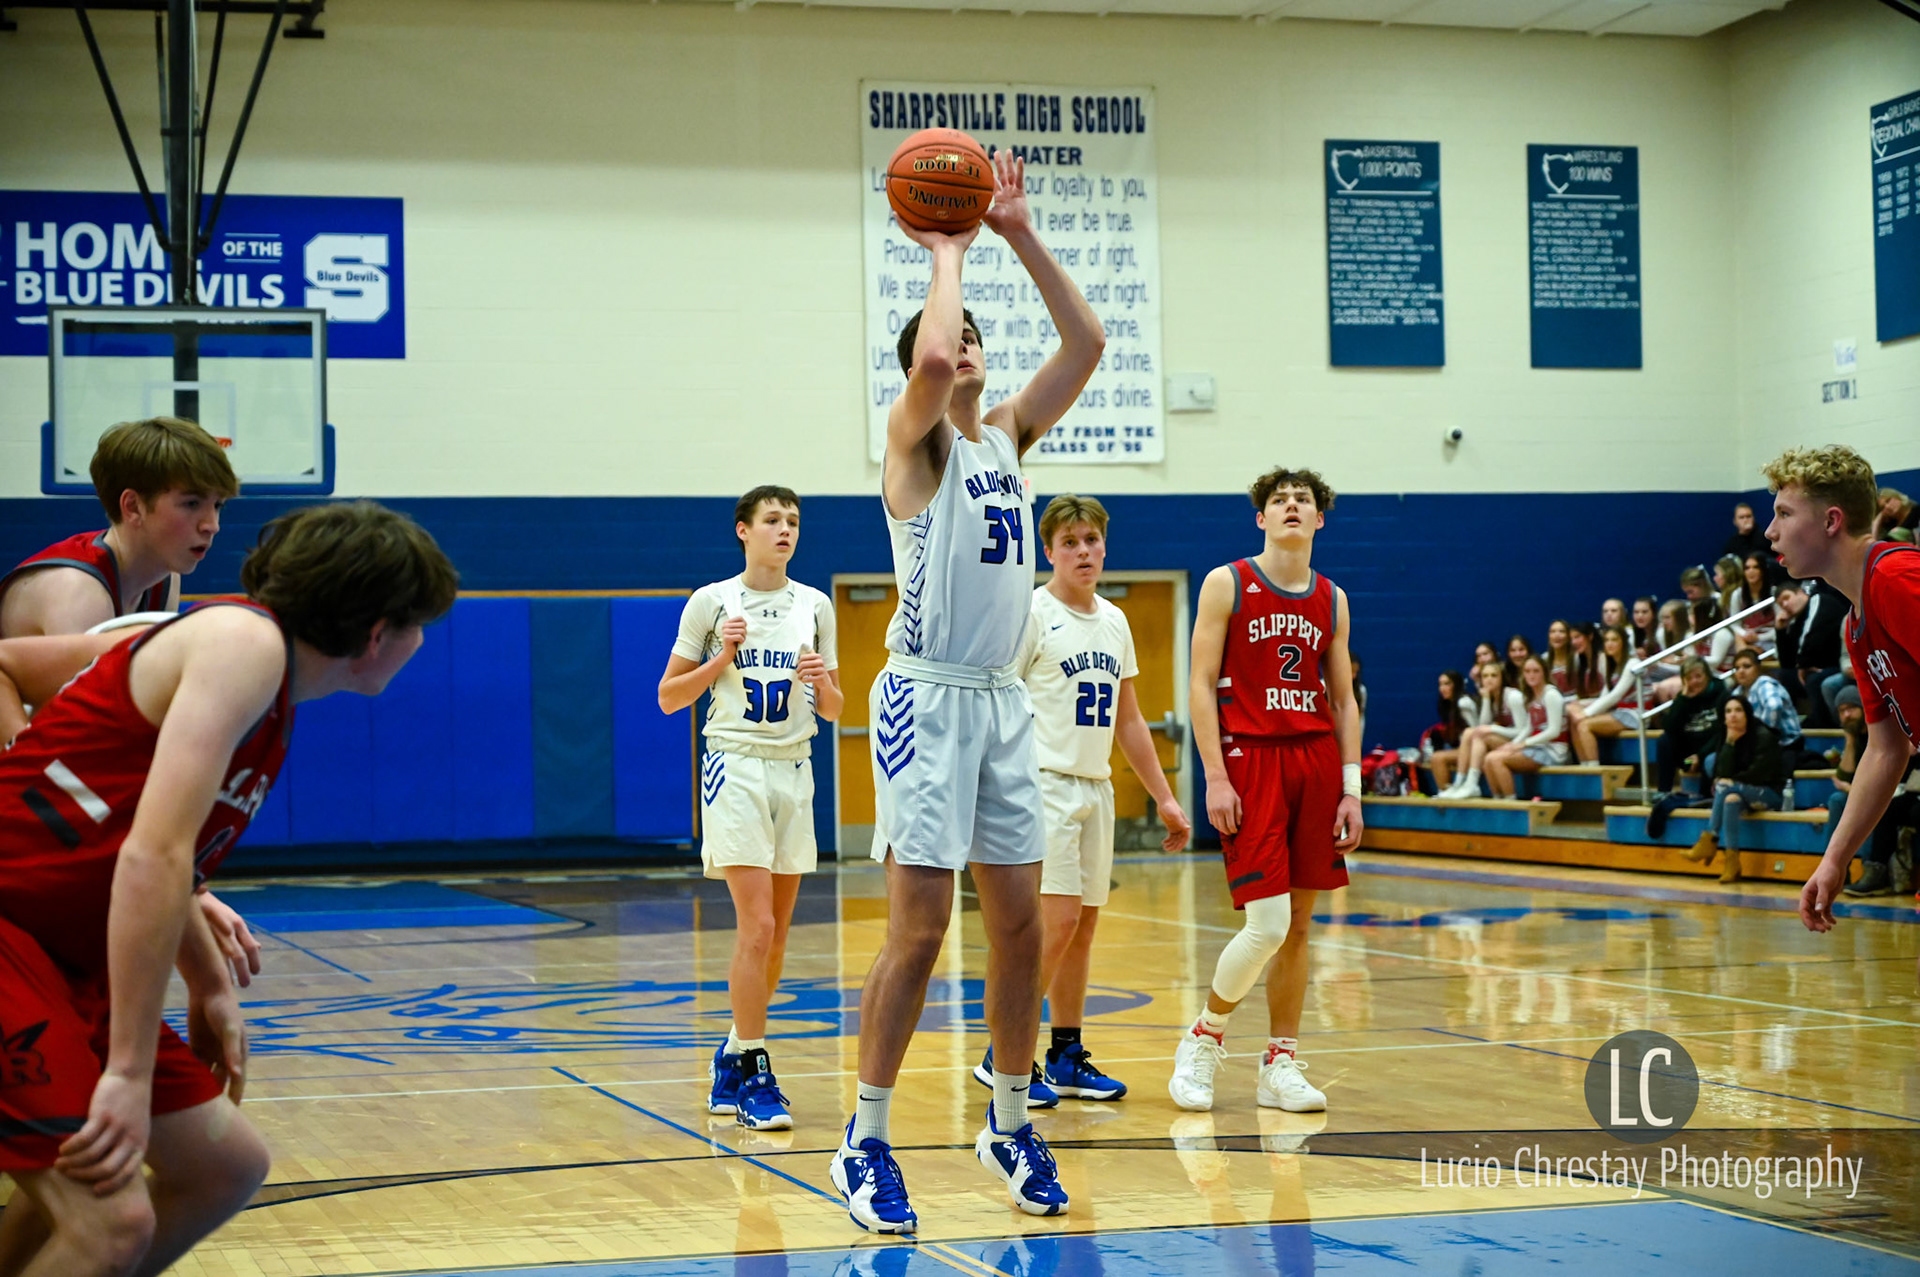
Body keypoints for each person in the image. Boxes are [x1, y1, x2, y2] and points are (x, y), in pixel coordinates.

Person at [0, 501, 457, 1277]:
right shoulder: (243, 644)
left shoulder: (260, 676)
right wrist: (127, 1071)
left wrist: (209, 982)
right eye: (421, 625)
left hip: (63, 952)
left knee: (225, 1167)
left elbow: (162, 856)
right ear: (380, 632)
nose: (420, 643)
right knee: (111, 1222)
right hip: (14, 932)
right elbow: (152, 855)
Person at [829, 149, 1104, 1233]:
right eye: (956, 342)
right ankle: (866, 1136)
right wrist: (947, 246)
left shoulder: (1007, 438)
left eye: (981, 336)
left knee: (1023, 923)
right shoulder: (917, 444)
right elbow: (937, 354)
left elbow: (1087, 344)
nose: (968, 348)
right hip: (925, 699)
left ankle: (1008, 1118)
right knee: (921, 927)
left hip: (998, 698)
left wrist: (1020, 231)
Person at [0, 420, 259, 1002]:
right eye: (191, 504)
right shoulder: (76, 592)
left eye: (217, 505)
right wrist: (190, 891)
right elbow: (82, 763)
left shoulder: (161, 580)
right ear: (132, 506)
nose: (212, 524)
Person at [985, 494, 1192, 1105]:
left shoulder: (1115, 621)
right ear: (1048, 551)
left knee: (1083, 926)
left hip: (1095, 786)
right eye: (1070, 543)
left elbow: (1129, 719)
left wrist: (1164, 797)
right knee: (1056, 922)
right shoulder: (1030, 613)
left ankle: (1065, 1054)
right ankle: (1004, 1051)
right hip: (1041, 784)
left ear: (1105, 546)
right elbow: (998, 701)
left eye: (1091, 541)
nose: (1083, 552)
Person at [1169, 466, 1363, 1115]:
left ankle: (1279, 1062)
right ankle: (1203, 1037)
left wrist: (1351, 787)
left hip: (1314, 758)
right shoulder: (1227, 582)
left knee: (1299, 927)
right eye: (1279, 500)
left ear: (1319, 519)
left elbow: (1343, 699)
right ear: (1260, 518)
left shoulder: (1332, 598)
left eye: (1302, 500)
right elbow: (1200, 684)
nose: (1290, 506)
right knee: (1269, 923)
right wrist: (1215, 775)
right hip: (1250, 759)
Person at [658, 485, 841, 1133]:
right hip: (734, 763)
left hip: (795, 766)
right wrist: (721, 659)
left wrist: (820, 681)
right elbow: (669, 697)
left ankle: (733, 1056)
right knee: (756, 926)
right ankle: (757, 1071)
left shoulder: (815, 605)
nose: (785, 529)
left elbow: (836, 709)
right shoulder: (713, 602)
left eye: (792, 520)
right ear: (743, 530)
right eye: (772, 519)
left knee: (778, 935)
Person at [1764, 448, 1920, 947]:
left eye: (1784, 514)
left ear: (1831, 521)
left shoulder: (1896, 578)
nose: (1770, 531)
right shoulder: (1856, 624)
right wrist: (1835, 858)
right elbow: (1886, 750)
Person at [1680, 695, 1785, 884]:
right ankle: (1732, 864)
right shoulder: (1726, 736)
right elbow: (1720, 772)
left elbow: (1758, 774)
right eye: (1728, 711)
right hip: (1739, 792)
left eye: (1738, 710)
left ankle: (1710, 839)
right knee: (1730, 800)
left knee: (1724, 787)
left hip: (1770, 794)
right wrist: (1729, 744)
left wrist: (1731, 781)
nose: (1733, 715)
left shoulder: (1763, 736)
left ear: (1747, 714)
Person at [1435, 662, 1528, 799]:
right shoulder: (1491, 697)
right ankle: (1459, 783)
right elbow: (1483, 725)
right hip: (1505, 741)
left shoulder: (1513, 696)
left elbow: (1523, 731)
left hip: (1522, 743)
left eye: (1494, 675)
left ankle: (1471, 783)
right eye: (1485, 676)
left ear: (1502, 678)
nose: (1489, 679)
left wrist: (1493, 728)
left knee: (1479, 735)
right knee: (1470, 732)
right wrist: (1486, 699)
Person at [1484, 655, 1569, 797]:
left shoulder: (1551, 694)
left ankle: (1511, 802)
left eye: (1536, 671)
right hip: (1537, 746)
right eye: (1527, 671)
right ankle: (1498, 800)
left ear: (1544, 673)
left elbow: (1553, 731)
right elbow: (1528, 728)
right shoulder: (1531, 695)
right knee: (1488, 758)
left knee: (1496, 759)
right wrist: (1513, 745)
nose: (1531, 675)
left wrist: (1523, 744)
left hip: (1554, 751)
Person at [1567, 626, 1654, 765]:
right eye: (1607, 640)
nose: (1609, 644)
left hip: (1637, 713)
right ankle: (1584, 766)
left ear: (1623, 643)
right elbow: (1604, 697)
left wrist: (1586, 713)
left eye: (1614, 640)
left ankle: (1594, 770)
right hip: (1621, 711)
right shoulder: (1612, 665)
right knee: (1573, 714)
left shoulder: (1633, 663)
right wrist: (1579, 705)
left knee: (1584, 725)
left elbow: (1616, 695)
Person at [1655, 657, 1730, 794]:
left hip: (1709, 753)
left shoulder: (1722, 695)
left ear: (1707, 676)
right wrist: (1683, 699)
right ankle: (1663, 792)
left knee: (1714, 756)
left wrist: (1700, 756)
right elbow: (1669, 727)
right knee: (1664, 740)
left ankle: (1705, 796)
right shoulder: (1683, 698)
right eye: (1689, 678)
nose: (1694, 681)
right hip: (1688, 759)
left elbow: (1722, 732)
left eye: (1698, 676)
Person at [1728, 649, 1805, 769]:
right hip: (1757, 746)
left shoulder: (1765, 684)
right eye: (1737, 668)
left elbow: (1774, 707)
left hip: (1786, 743)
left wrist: (1760, 735)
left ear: (1758, 668)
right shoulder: (1737, 692)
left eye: (1746, 666)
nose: (1741, 671)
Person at [1418, 669, 1475, 792]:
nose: (1442, 688)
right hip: (1464, 748)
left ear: (1457, 684)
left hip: (1475, 749)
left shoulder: (1464, 703)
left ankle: (1447, 794)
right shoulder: (1448, 705)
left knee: (1438, 758)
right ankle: (1445, 793)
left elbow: (1476, 729)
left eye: (1447, 684)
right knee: (1436, 756)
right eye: (1440, 684)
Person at [1541, 619, 1576, 695]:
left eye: (1561, 631)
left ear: (1568, 636)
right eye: (1553, 631)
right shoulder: (1544, 660)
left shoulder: (1577, 658)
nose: (1556, 635)